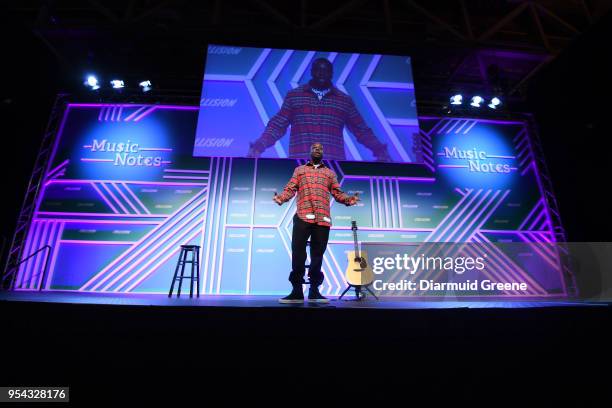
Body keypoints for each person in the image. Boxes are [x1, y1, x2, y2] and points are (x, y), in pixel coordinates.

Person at [248, 57, 391, 161]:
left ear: (331, 74)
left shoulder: (344, 100)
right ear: (312, 72)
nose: (322, 74)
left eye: (326, 71)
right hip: (300, 166)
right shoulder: (294, 96)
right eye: (318, 70)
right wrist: (259, 146)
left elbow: (361, 130)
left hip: (334, 167)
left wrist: (379, 149)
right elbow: (277, 125)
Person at [273, 142, 360, 304]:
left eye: (320, 148)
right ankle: (297, 291)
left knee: (317, 256)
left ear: (323, 153)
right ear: (310, 152)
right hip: (302, 217)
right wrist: (281, 198)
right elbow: (290, 188)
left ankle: (314, 291)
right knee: (298, 254)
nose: (317, 149)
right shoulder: (300, 170)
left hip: (322, 219)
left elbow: (337, 193)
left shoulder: (329, 173)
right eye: (314, 148)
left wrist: (349, 200)